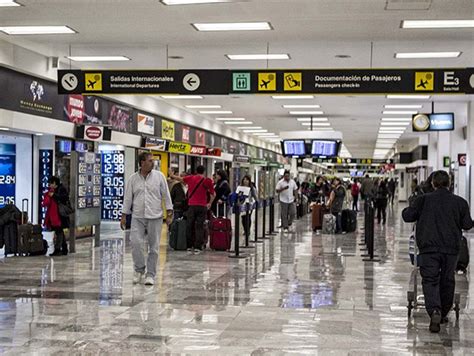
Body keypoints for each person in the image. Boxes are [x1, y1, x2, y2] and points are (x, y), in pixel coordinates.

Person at [402, 170, 473, 333]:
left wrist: (413, 202)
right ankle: (443, 313)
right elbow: (468, 224)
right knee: (447, 279)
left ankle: (434, 310)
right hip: (451, 249)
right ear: (449, 184)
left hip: (428, 248)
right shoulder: (460, 202)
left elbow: (407, 216)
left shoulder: (423, 200)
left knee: (430, 279)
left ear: (433, 183)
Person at [121, 152, 173, 286]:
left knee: (153, 247)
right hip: (137, 216)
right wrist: (123, 216)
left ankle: (150, 274)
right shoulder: (133, 179)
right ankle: (139, 269)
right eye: (150, 161)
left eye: (153, 160)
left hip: (155, 216)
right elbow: (128, 198)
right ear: (142, 163)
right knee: (135, 243)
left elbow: (166, 195)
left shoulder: (159, 177)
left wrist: (169, 212)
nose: (153, 163)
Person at [170, 165, 215, 254]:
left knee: (189, 225)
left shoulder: (190, 178)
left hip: (191, 206)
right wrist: (209, 203)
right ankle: (198, 246)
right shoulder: (207, 180)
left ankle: (189, 246)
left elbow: (179, 179)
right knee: (199, 226)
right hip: (202, 206)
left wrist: (171, 175)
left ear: (196, 171)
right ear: (204, 171)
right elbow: (213, 194)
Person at [42, 176, 71, 256]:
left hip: (60, 215)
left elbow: (63, 198)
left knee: (59, 231)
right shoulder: (54, 190)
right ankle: (64, 248)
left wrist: (53, 195)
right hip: (57, 215)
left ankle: (58, 249)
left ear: (55, 183)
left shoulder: (61, 189)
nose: (49, 185)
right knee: (59, 231)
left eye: (50, 183)